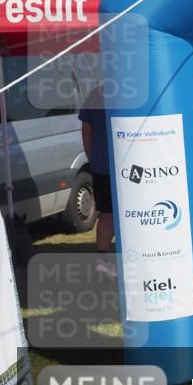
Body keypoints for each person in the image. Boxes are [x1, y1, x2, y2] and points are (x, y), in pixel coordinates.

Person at [78, 86, 116, 280]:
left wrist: (92, 158)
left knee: (107, 214)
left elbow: (86, 131)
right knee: (133, 213)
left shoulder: (94, 94)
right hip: (130, 164)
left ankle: (103, 261)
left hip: (102, 164)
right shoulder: (133, 92)